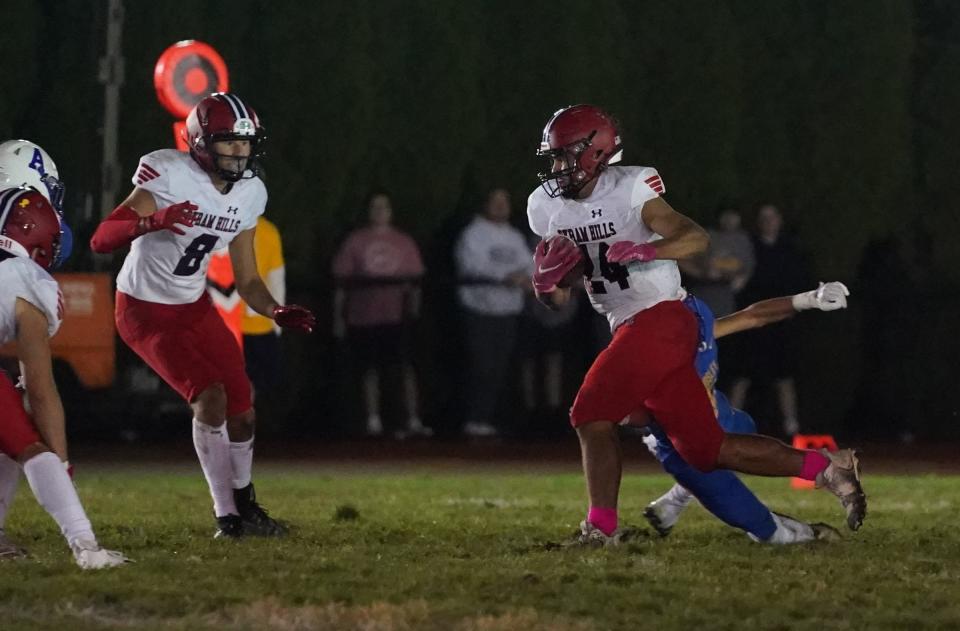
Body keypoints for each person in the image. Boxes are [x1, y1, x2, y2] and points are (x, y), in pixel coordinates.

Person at [527, 105, 865, 544]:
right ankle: (826, 468)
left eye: (563, 156)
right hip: (630, 326)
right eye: (553, 157)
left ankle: (601, 529)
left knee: (591, 412)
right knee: (706, 451)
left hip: (660, 317)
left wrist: (648, 250)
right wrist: (545, 283)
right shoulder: (547, 208)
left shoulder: (630, 188)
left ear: (594, 153)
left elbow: (695, 237)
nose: (556, 167)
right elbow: (558, 297)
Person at [89, 93, 316, 539]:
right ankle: (226, 517)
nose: (240, 152)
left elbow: (247, 278)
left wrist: (274, 310)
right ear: (200, 142)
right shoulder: (170, 175)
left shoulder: (250, 193)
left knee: (243, 407)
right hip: (143, 310)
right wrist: (150, 221)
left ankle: (246, 506)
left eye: (246, 143)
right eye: (229, 142)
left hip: (195, 307)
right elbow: (101, 239)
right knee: (209, 398)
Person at [641, 281, 850, 543]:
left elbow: (753, 315)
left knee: (745, 426)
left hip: (719, 418)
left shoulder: (695, 326)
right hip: (686, 445)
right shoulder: (648, 354)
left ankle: (675, 500)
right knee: (769, 531)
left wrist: (808, 298)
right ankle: (790, 529)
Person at [0, 186, 127, 568]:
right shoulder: (26, 277)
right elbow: (40, 387)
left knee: (8, 434)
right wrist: (62, 461)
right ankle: (87, 548)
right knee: (31, 448)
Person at [332, 192, 428, 438]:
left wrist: (414, 315)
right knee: (369, 370)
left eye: (384, 206)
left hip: (397, 318)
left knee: (404, 368)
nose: (379, 211)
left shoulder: (403, 242)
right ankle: (373, 420)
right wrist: (339, 319)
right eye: (375, 206)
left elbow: (415, 283)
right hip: (364, 317)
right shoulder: (356, 241)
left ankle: (411, 419)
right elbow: (341, 283)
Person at [455, 188, 532, 437]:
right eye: (496, 202)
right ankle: (474, 419)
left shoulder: (513, 236)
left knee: (500, 368)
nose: (501, 206)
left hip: (507, 311)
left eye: (505, 202)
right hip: (480, 310)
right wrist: (506, 277)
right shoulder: (474, 234)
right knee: (482, 366)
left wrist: (524, 278)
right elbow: (472, 265)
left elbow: (529, 265)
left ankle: (491, 419)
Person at [728, 204, 810, 436]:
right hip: (752, 317)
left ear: (780, 220)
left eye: (772, 217)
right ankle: (730, 426)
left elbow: (798, 283)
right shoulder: (748, 246)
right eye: (764, 218)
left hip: (780, 320)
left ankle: (791, 426)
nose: (768, 222)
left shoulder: (789, 249)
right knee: (742, 373)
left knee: (784, 375)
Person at [679, 207, 754, 317]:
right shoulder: (706, 235)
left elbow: (748, 266)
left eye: (733, 216)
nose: (730, 219)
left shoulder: (744, 239)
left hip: (727, 298)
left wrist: (743, 277)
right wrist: (702, 273)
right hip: (702, 294)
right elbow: (682, 260)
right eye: (726, 216)